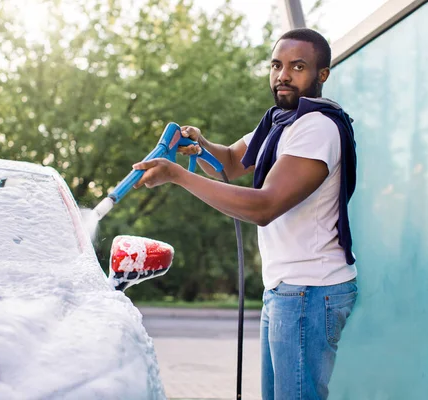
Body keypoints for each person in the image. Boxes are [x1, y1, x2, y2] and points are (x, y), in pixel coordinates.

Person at [132, 28, 358, 400]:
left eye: (297, 66)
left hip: (310, 290)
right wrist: (201, 145)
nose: (282, 75)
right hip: (288, 288)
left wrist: (177, 175)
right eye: (276, 65)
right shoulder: (280, 120)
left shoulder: (317, 128)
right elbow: (233, 161)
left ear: (322, 75)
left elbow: (264, 206)